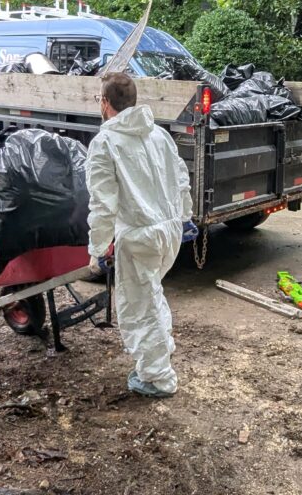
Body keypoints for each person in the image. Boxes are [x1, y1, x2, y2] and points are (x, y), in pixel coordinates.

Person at [86, 72, 196, 398]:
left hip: (139, 238)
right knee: (152, 295)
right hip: (169, 231)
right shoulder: (159, 135)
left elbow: (103, 204)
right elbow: (181, 179)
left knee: (140, 308)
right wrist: (185, 215)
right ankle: (161, 349)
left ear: (105, 103)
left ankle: (157, 377)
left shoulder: (105, 143)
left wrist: (97, 246)